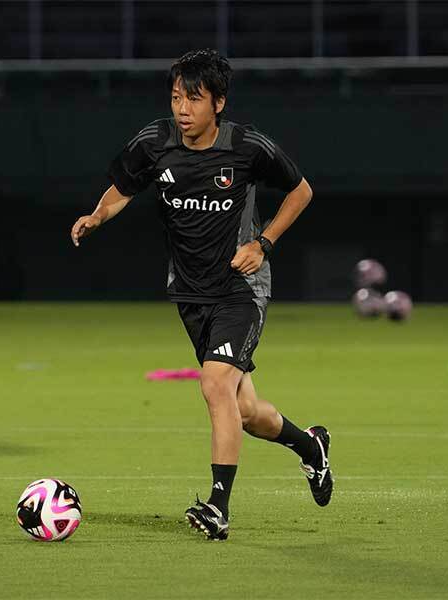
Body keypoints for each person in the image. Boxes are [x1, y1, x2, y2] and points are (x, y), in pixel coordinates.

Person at [70, 49, 332, 540]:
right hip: (191, 294)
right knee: (246, 412)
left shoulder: (247, 147)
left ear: (218, 103)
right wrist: (96, 215)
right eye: (176, 98)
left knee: (214, 386)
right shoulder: (154, 142)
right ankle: (310, 447)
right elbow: (122, 187)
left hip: (241, 287)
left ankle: (217, 507)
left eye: (194, 99)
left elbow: (301, 191)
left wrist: (263, 243)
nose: (182, 109)